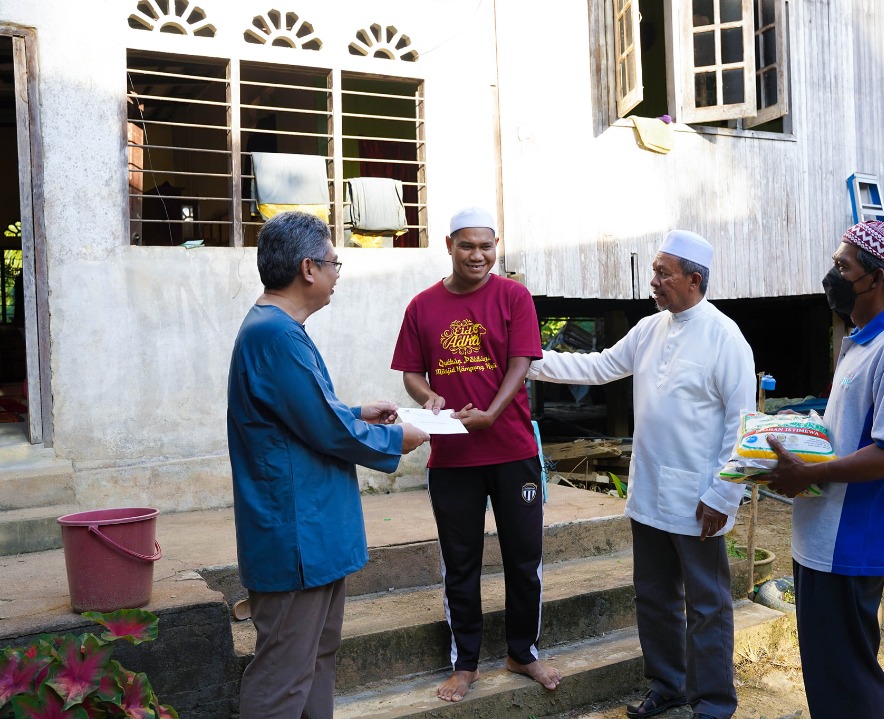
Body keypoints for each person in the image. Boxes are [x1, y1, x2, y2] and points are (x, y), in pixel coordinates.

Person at [529, 230, 756, 719]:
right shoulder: (650, 329)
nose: (653, 282)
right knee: (653, 597)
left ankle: (714, 704)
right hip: (650, 491)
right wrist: (528, 361)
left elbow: (742, 427)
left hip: (699, 499)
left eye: (662, 273)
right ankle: (668, 686)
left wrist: (724, 495)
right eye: (654, 271)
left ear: (693, 280)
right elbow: (599, 367)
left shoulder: (725, 337)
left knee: (708, 605)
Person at [227, 211, 428, 719]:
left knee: (315, 658)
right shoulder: (276, 336)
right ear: (308, 268)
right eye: (335, 263)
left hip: (310, 533)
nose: (338, 274)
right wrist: (395, 438)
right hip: (297, 535)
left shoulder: (276, 330)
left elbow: (302, 414)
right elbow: (325, 429)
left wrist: (356, 412)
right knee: (284, 674)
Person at [391, 207, 561, 702]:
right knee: (460, 563)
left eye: (486, 246)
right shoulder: (422, 306)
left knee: (524, 559)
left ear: (496, 247)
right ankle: (465, 664)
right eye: (467, 245)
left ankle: (522, 652)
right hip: (452, 458)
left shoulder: (513, 296)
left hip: (512, 451)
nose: (477, 255)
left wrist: (491, 413)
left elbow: (521, 362)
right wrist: (428, 397)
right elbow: (412, 372)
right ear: (449, 246)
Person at [765, 220, 884, 719]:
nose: (832, 275)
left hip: (854, 541)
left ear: (875, 277)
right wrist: (801, 431)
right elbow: (851, 430)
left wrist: (809, 474)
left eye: (843, 266)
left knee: (849, 683)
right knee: (829, 677)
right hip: (824, 536)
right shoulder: (861, 342)